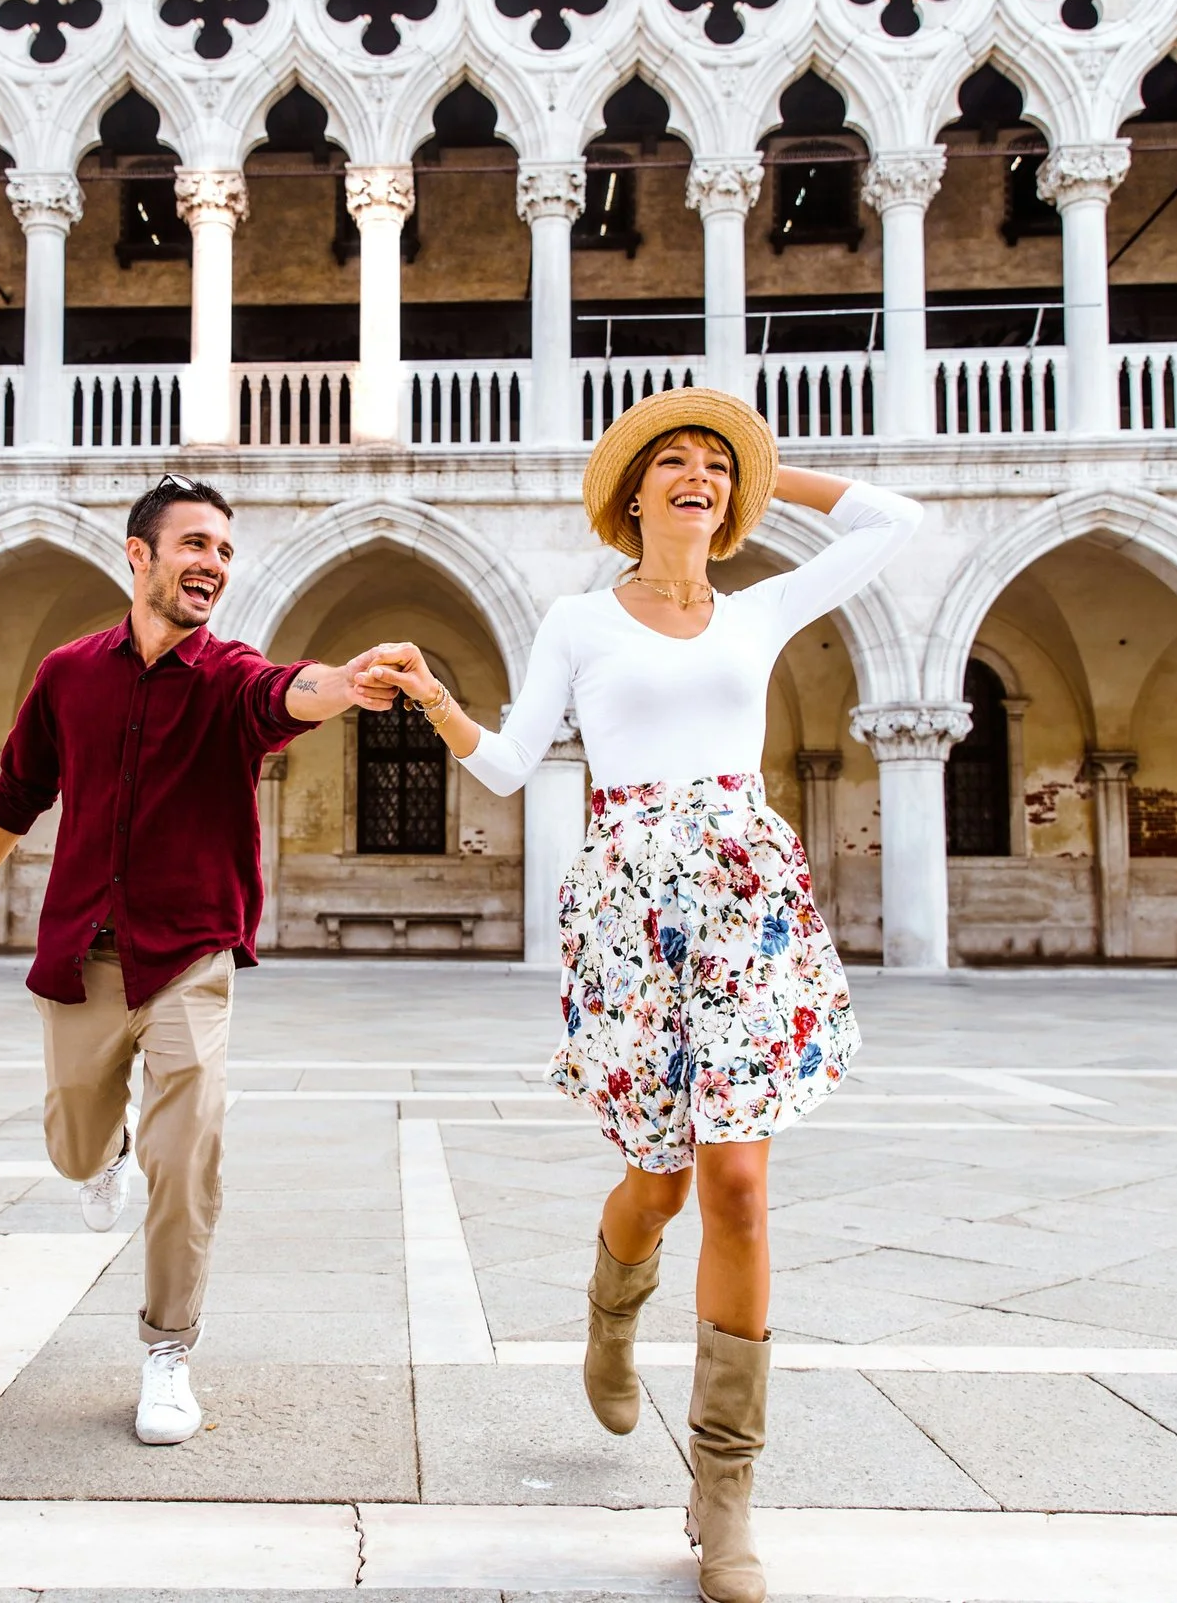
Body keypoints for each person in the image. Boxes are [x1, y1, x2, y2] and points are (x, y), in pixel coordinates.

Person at [364, 388, 920, 1603]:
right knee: (659, 1180)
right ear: (632, 496)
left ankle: (723, 1489)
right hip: (627, 904)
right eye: (673, 462)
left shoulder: (761, 606)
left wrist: (779, 477)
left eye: (717, 469)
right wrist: (435, 696)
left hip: (742, 896)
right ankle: (612, 1313)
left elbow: (893, 519)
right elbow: (512, 765)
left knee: (735, 1178)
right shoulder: (577, 621)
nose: (698, 477)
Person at [0, 473, 411, 1446]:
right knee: (72, 1142)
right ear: (137, 554)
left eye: (224, 550)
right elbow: (14, 797)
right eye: (193, 545)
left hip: (188, 954)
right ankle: (100, 1153)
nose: (212, 564)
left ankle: (167, 1348)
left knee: (186, 1157)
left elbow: (286, 692)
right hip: (79, 956)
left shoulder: (229, 675)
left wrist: (342, 686)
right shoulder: (66, 675)